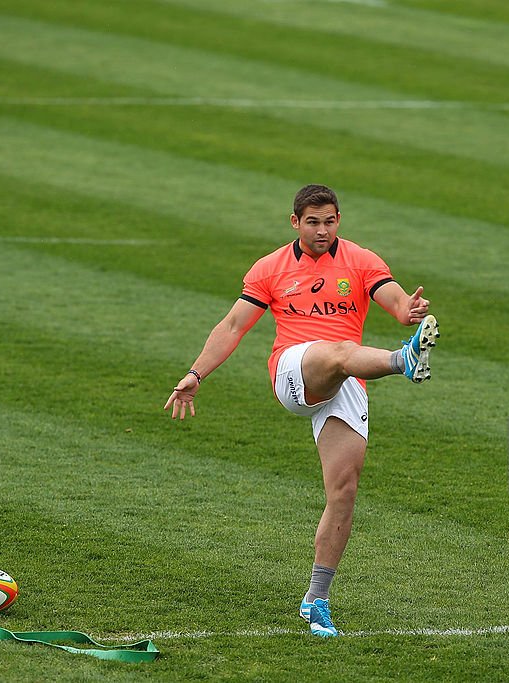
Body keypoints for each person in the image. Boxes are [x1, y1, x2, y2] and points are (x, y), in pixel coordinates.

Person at [164, 184, 440, 637]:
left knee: (344, 491)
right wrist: (196, 373)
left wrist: (409, 309)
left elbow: (393, 298)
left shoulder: (361, 260)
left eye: (330, 221)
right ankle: (401, 361)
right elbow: (233, 325)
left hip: (346, 374)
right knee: (338, 352)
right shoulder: (270, 268)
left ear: (338, 220)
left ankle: (316, 600)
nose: (322, 231)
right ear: (295, 222)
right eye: (313, 222)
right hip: (294, 369)